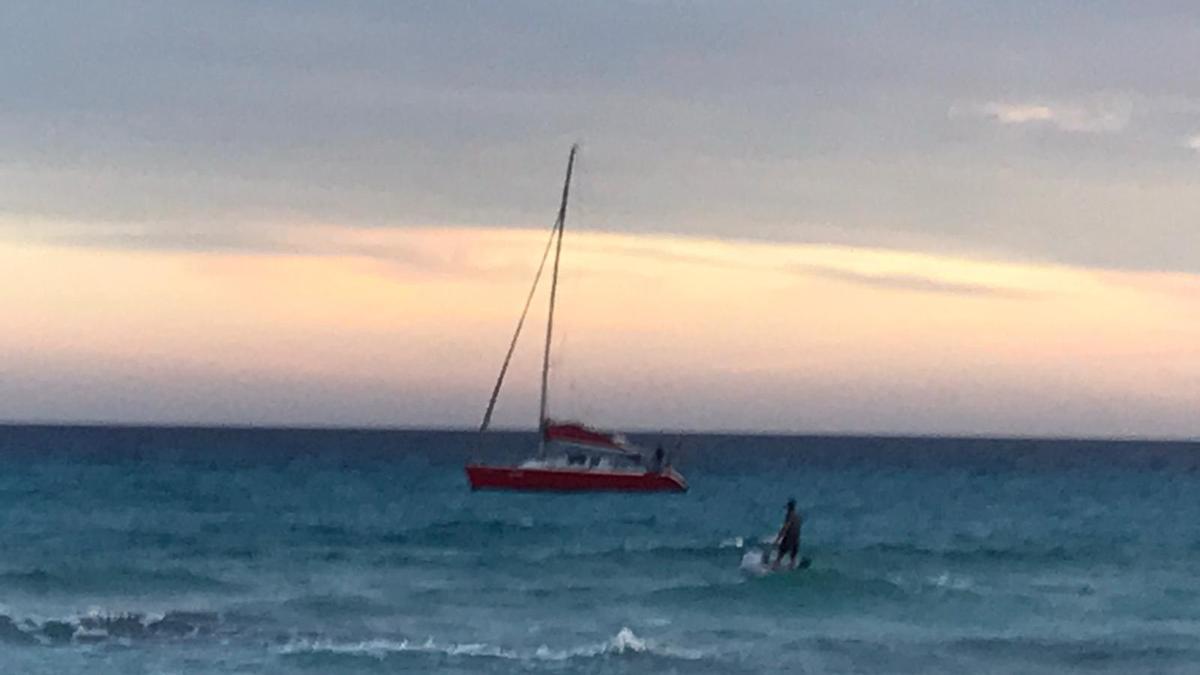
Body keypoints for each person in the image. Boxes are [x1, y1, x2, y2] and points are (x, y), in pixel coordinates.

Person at [773, 499, 802, 569]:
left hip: (789, 539)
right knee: (793, 557)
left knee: (780, 556)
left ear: (789, 508)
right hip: (796, 540)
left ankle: (774, 567)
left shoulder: (789, 516)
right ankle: (792, 567)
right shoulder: (798, 517)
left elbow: (785, 528)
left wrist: (777, 540)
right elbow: (797, 529)